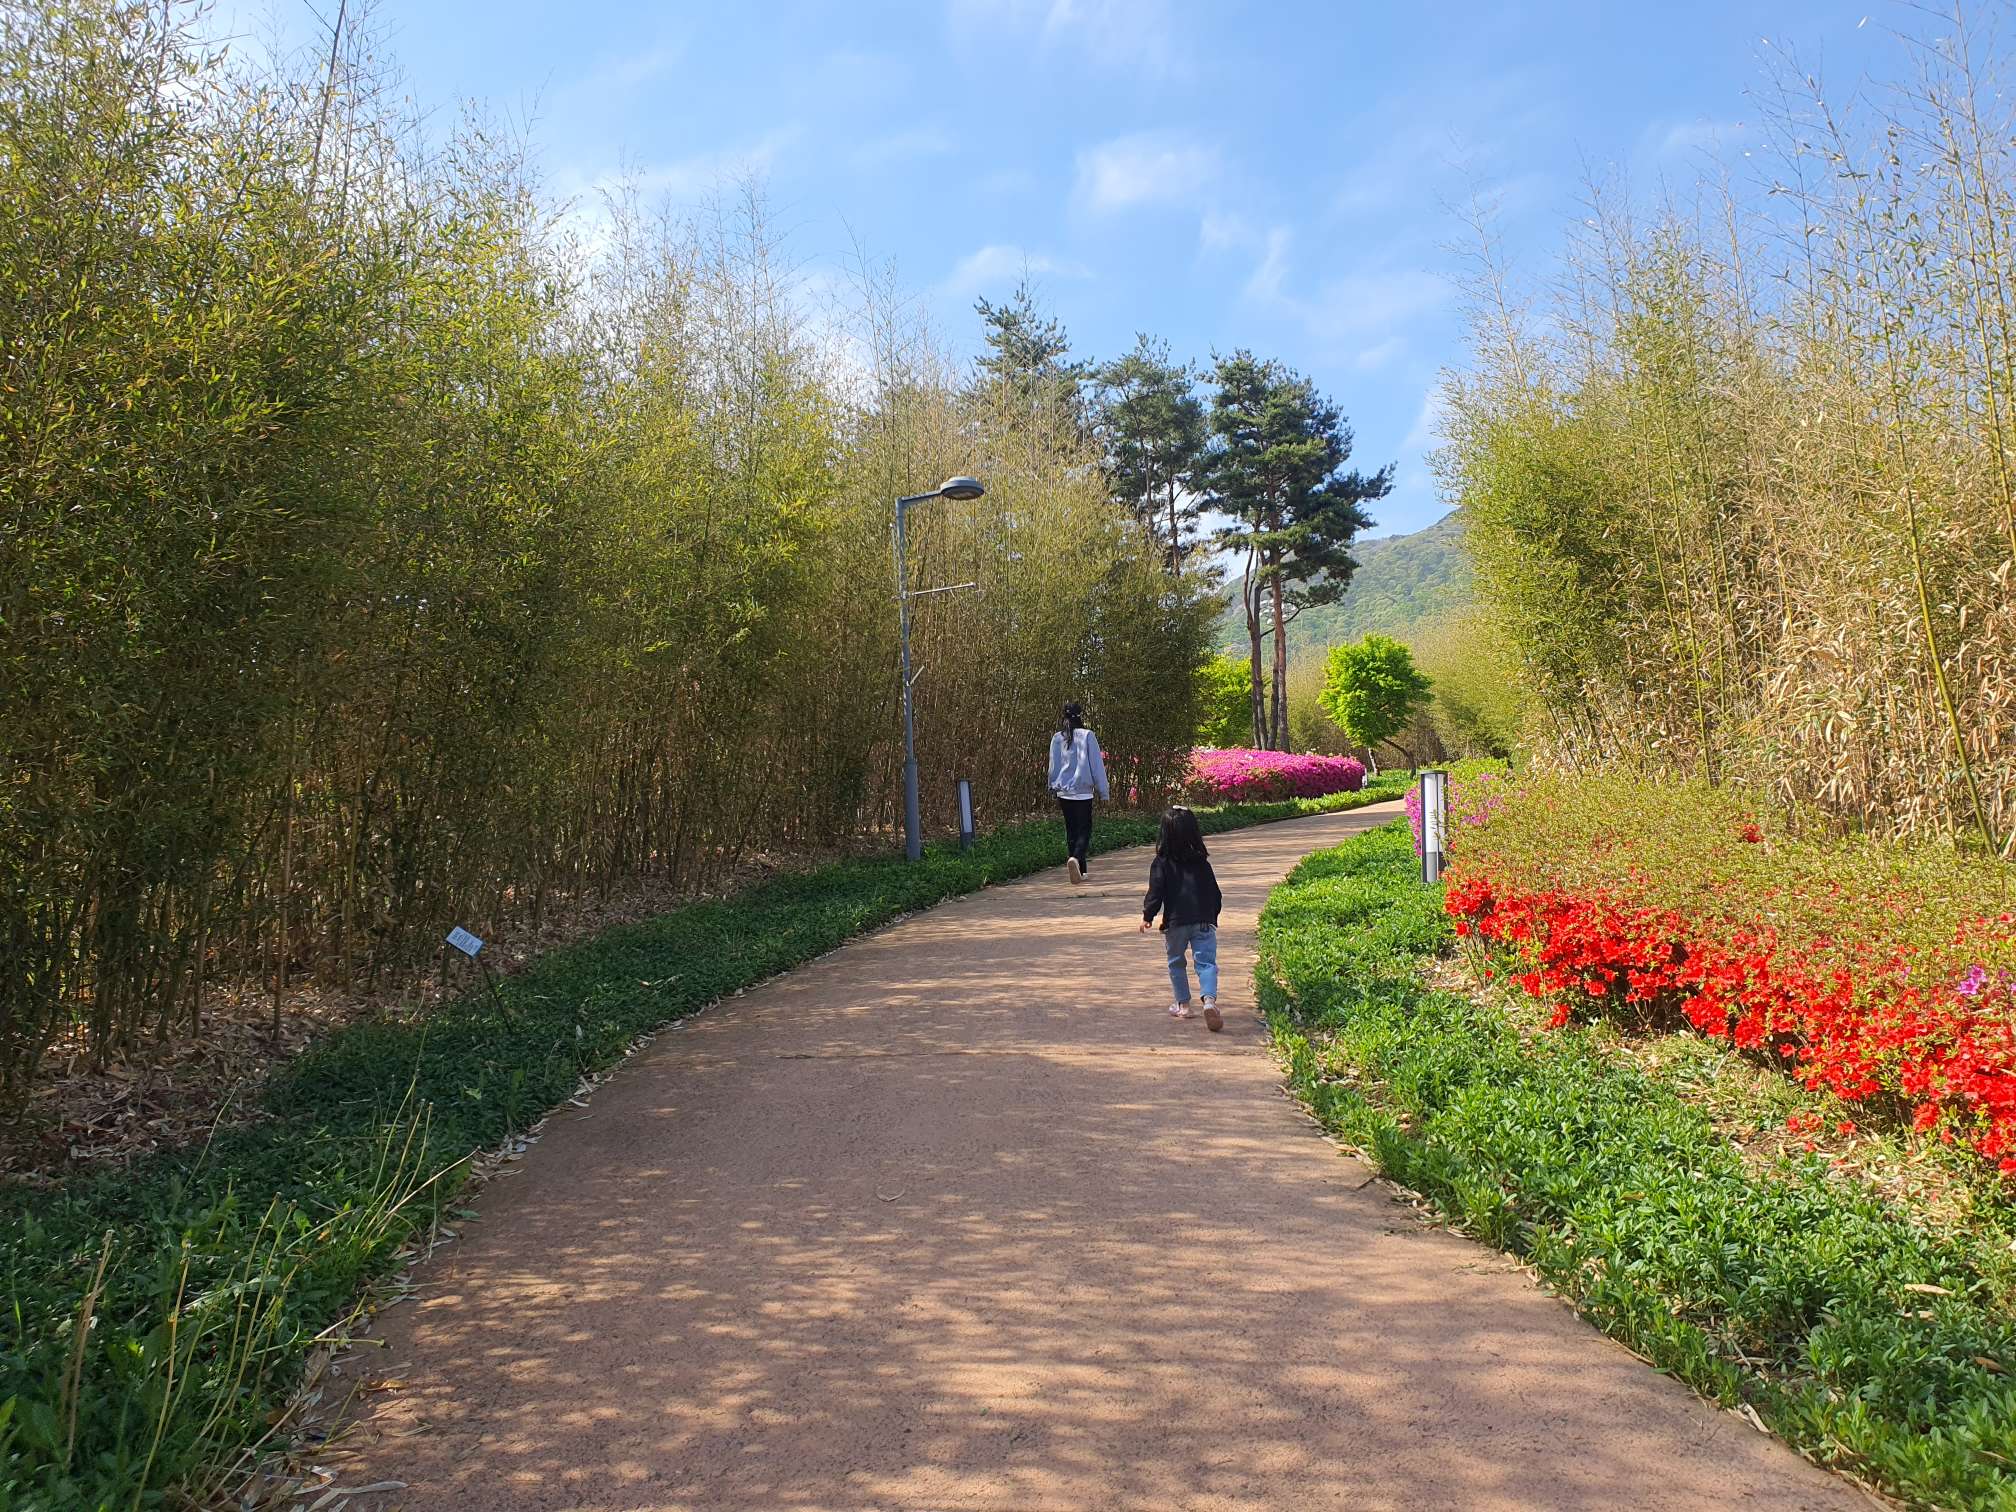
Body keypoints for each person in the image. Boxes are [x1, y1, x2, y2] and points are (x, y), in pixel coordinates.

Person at [1139, 805, 1224, 1031]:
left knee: (1176, 962)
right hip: (1203, 921)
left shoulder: (1161, 862)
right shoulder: (1202, 862)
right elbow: (1215, 893)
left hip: (1175, 923)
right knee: (1206, 963)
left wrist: (1148, 915)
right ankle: (1209, 1001)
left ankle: (1183, 1006)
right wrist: (1212, 915)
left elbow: (1155, 892)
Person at [1047, 701, 1109, 884]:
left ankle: (1081, 871)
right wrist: (1103, 791)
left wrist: (1052, 787)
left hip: (1064, 792)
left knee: (1071, 829)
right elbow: (1096, 765)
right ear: (1080, 716)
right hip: (1083, 792)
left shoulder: (1057, 738)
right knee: (1084, 829)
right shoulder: (1087, 735)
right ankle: (1075, 858)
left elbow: (1053, 766)